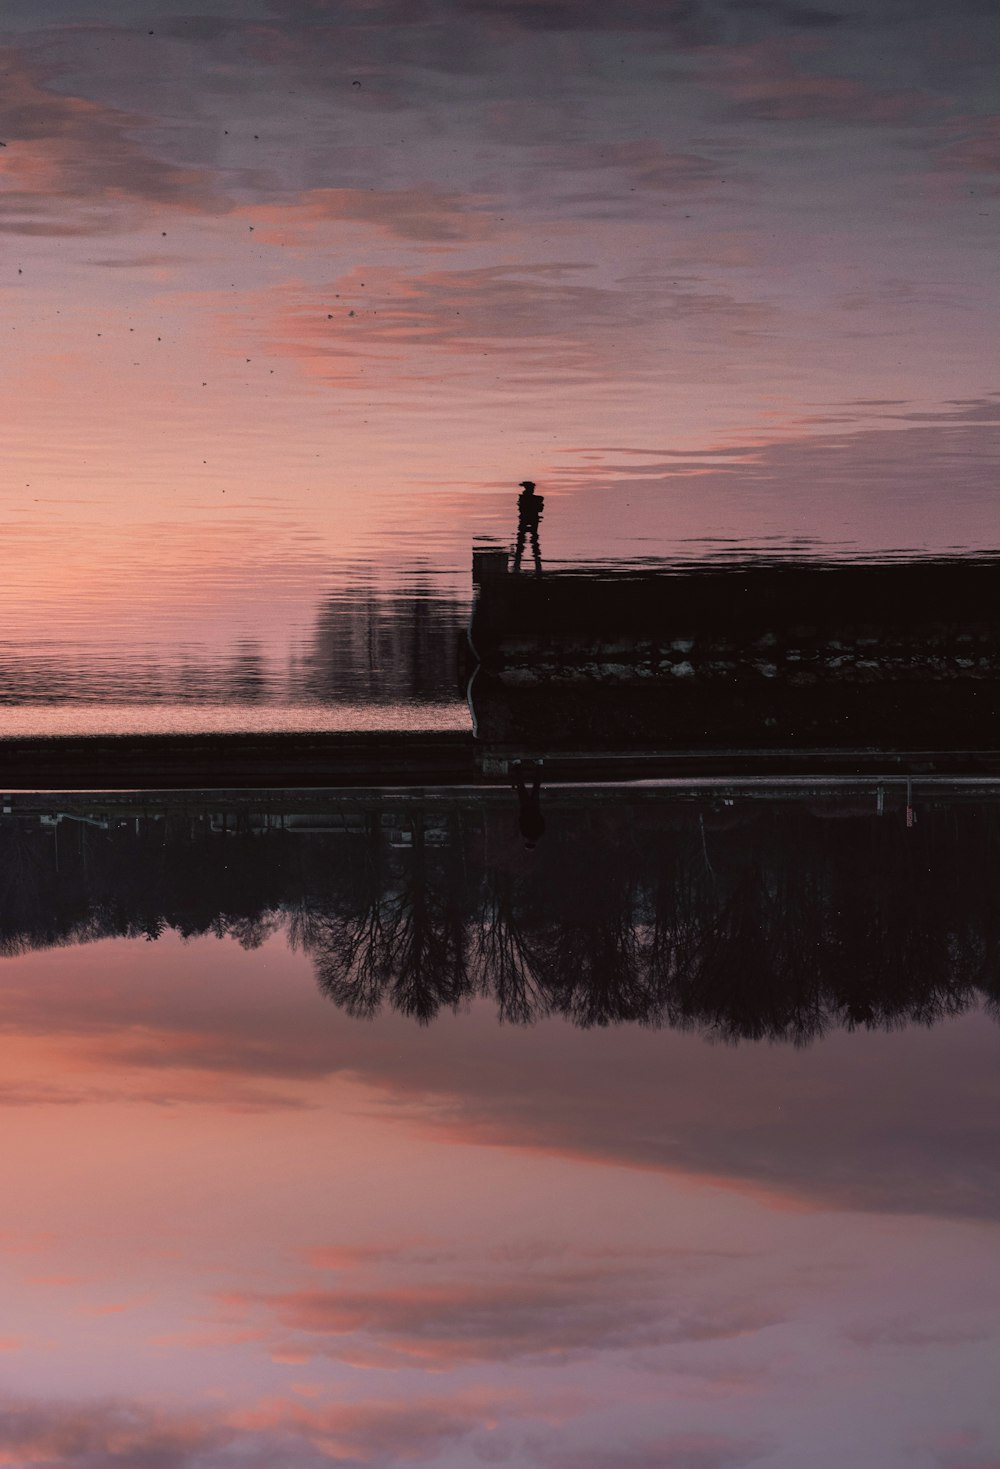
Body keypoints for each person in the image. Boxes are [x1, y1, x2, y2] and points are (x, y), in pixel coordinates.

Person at [512, 760, 545, 849]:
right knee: (521, 786)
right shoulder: (525, 833)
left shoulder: (540, 832)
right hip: (525, 808)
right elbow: (521, 821)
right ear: (528, 843)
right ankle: (517, 764)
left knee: (536, 786)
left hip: (535, 808)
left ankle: (540, 764)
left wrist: (537, 813)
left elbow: (542, 820)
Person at [514, 479, 544, 575]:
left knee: (524, 541)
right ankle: (535, 561)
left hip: (527, 520)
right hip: (530, 520)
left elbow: (539, 509)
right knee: (529, 540)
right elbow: (539, 508)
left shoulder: (524, 498)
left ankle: (518, 562)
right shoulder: (528, 499)